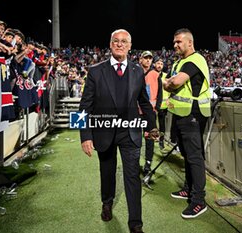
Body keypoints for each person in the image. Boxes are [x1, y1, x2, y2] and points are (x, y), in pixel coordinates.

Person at [79, 29, 157, 233]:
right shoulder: (95, 71)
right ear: (110, 44)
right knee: (107, 173)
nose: (120, 44)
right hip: (103, 132)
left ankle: (136, 224)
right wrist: (85, 136)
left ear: (130, 46)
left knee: (132, 176)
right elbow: (84, 107)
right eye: (116, 41)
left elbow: (144, 102)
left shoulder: (138, 71)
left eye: (124, 41)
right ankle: (107, 202)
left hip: (130, 132)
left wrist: (152, 125)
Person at [163, 28, 211, 219]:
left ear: (190, 43)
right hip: (182, 114)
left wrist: (169, 82)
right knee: (187, 154)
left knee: (194, 156)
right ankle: (189, 189)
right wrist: (169, 81)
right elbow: (168, 81)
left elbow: (173, 83)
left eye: (179, 42)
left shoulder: (195, 60)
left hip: (193, 114)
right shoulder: (179, 62)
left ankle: (199, 201)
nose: (175, 45)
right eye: (174, 42)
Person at [138, 51, 162, 176]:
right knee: (135, 138)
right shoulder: (135, 73)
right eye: (145, 58)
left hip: (150, 113)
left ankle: (148, 164)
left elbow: (160, 93)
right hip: (136, 112)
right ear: (140, 59)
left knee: (150, 138)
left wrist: (156, 108)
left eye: (150, 58)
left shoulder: (155, 74)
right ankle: (134, 163)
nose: (148, 60)